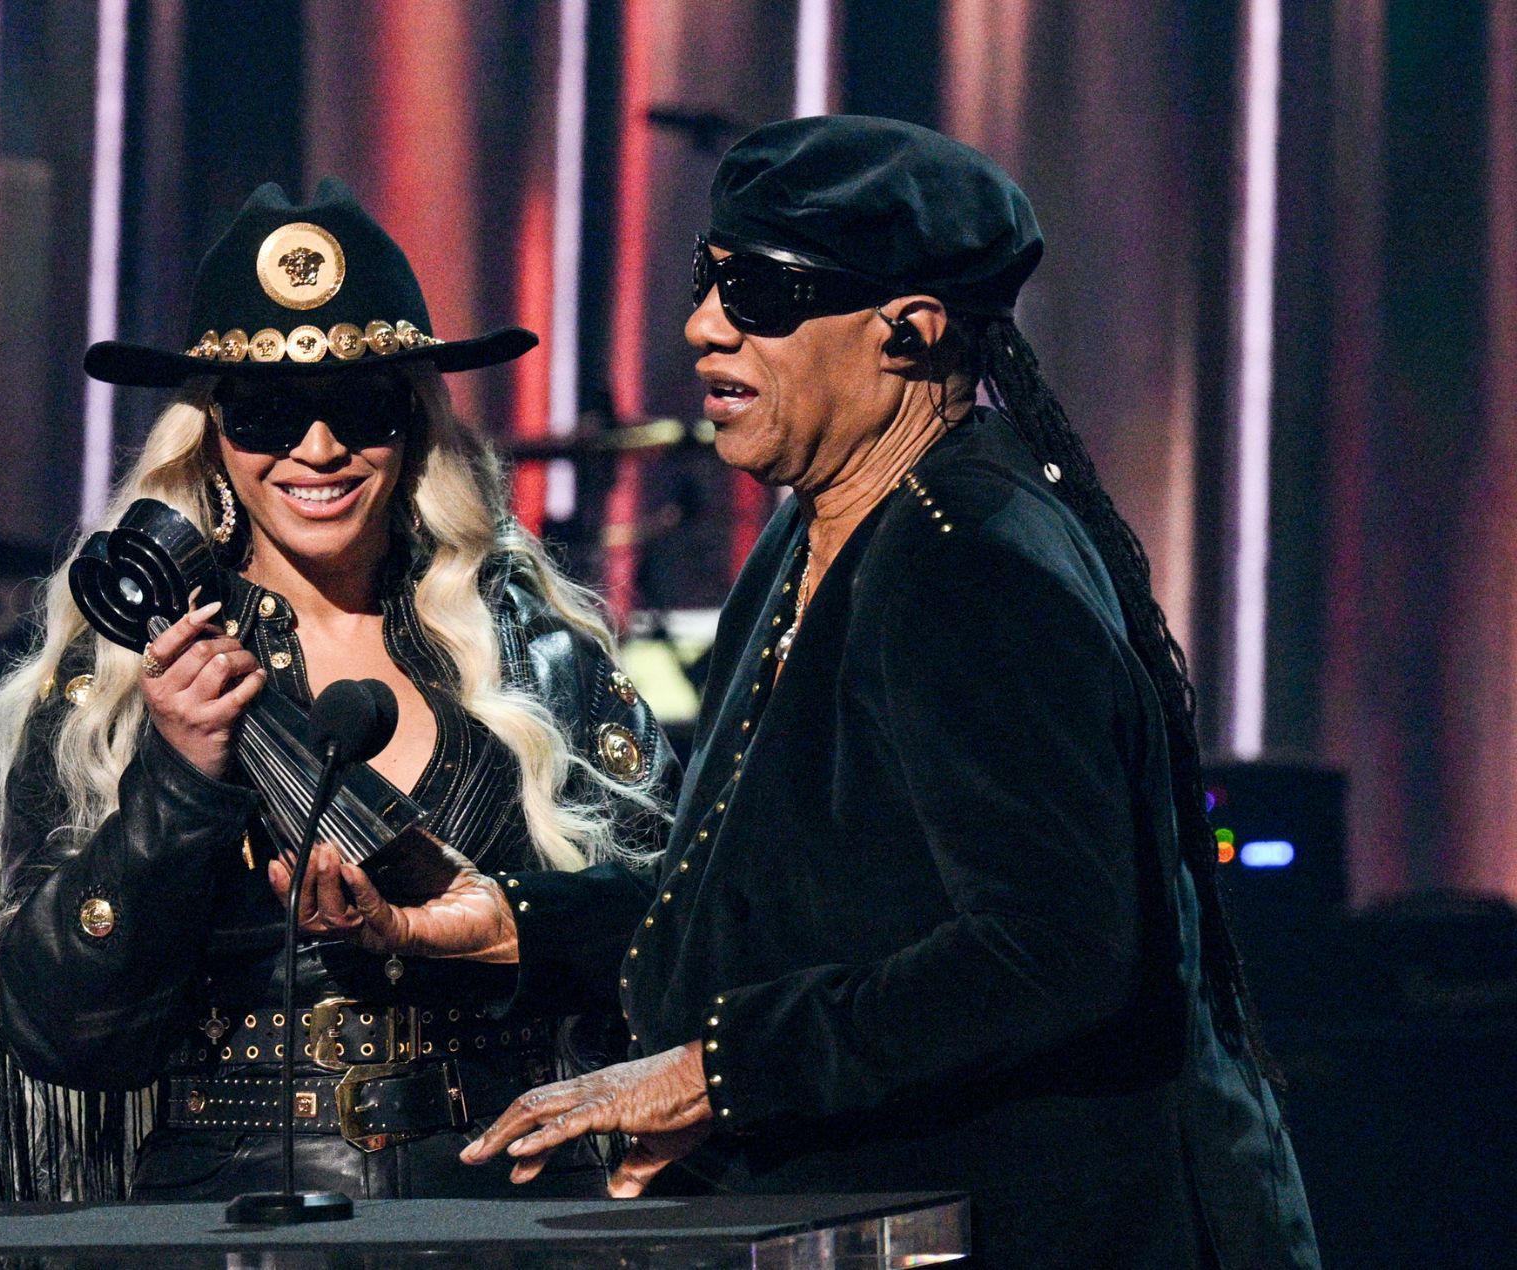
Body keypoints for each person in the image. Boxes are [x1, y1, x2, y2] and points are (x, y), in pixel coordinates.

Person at [462, 117, 1321, 1268]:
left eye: (758, 294)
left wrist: (719, 1074)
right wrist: (513, 919)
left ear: (905, 333)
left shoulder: (968, 557)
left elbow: (1050, 953)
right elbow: (783, 900)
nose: (701, 326)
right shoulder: (809, 532)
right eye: (705, 281)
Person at [0, 178, 676, 1202]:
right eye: (270, 411)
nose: (319, 448)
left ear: (413, 421)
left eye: (361, 405)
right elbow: (57, 1030)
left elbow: (683, 929)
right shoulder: (111, 685)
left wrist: (496, 921)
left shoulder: (537, 655)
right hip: (223, 1220)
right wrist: (177, 781)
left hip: (506, 1209)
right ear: (210, 432)